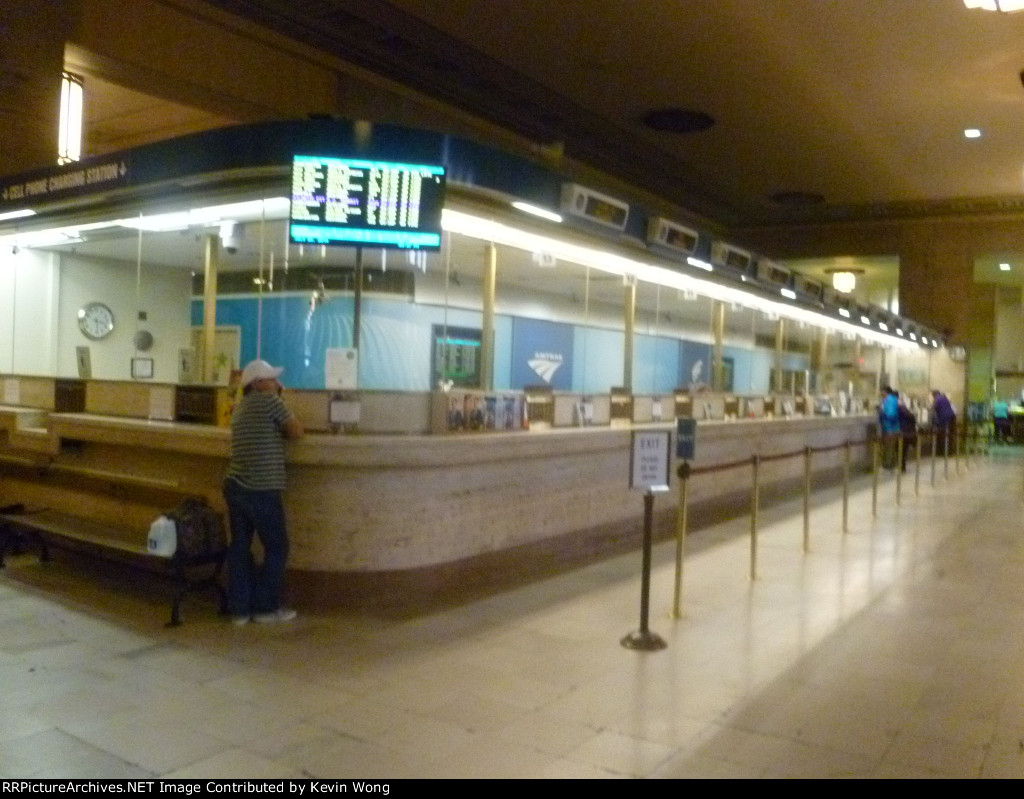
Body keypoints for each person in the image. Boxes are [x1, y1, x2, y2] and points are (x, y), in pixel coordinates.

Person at [223, 359, 304, 625]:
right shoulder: (269, 402)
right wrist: (281, 401)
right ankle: (265, 609)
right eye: (272, 379)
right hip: (262, 488)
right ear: (257, 384)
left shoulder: (239, 408)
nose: (277, 384)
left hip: (235, 485)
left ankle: (239, 610)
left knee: (240, 547)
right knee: (277, 547)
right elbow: (296, 431)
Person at [878, 385, 899, 469]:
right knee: (888, 446)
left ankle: (888, 464)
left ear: (885, 391)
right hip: (888, 427)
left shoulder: (890, 400)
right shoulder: (886, 400)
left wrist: (882, 414)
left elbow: (891, 414)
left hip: (891, 427)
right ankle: (888, 463)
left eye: (881, 391)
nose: (880, 392)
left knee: (889, 446)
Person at [931, 389, 956, 456]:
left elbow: (933, 407)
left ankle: (943, 453)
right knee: (949, 436)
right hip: (951, 418)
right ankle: (949, 452)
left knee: (943, 436)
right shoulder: (944, 398)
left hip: (945, 419)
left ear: (934, 394)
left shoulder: (937, 399)